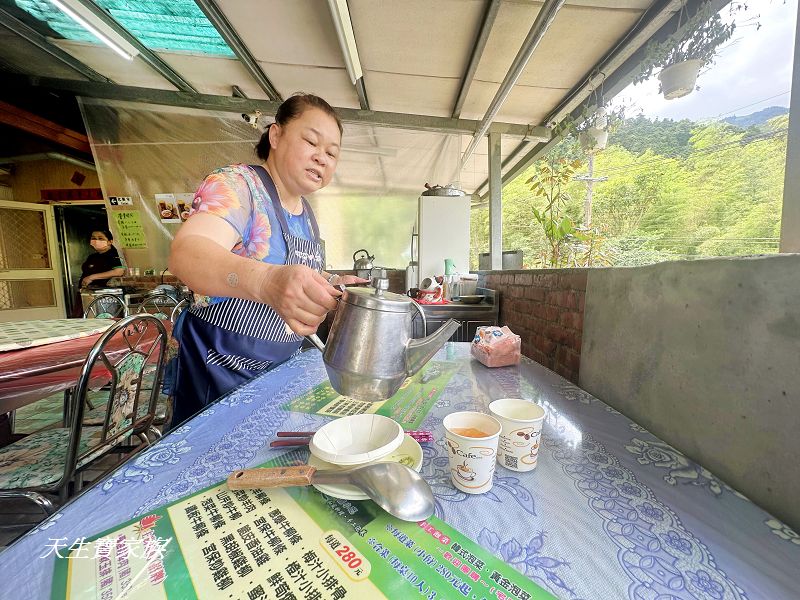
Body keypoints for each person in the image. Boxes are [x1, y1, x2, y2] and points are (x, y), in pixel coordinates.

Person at [168, 93, 366, 426]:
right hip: (220, 367)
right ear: (275, 135)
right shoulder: (238, 186)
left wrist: (330, 282)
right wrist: (265, 281)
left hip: (278, 368)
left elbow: (297, 269)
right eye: (311, 142)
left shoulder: (306, 214)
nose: (322, 158)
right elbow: (186, 253)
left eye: (332, 153)